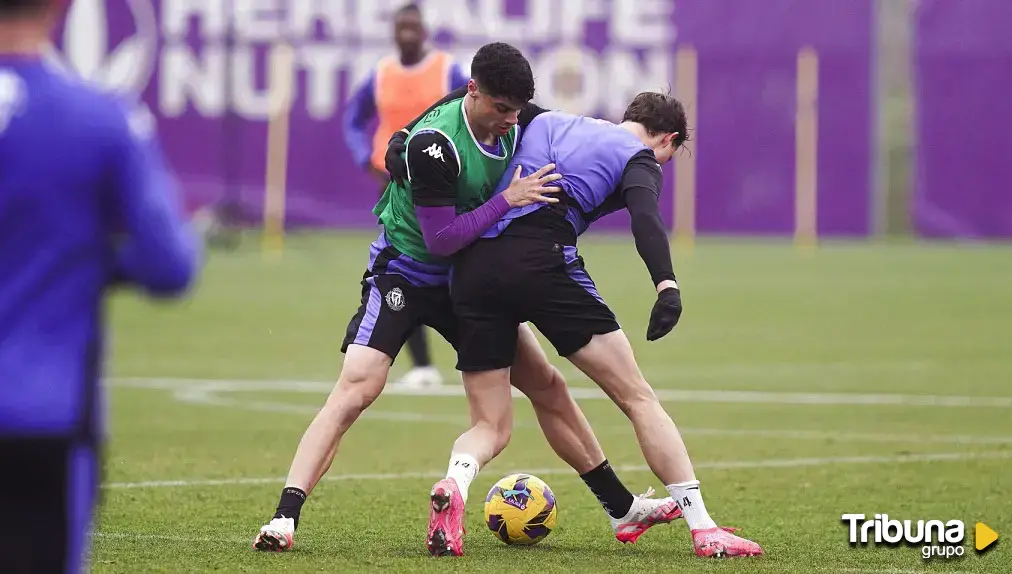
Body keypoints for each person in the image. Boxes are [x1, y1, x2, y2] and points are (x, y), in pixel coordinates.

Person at [253, 42, 681, 555]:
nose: (510, 120)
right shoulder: (438, 146)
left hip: (468, 283)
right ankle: (283, 518)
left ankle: (620, 507)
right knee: (356, 389)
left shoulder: (516, 122)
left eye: (516, 110)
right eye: (501, 109)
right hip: (408, 275)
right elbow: (442, 241)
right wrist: (506, 198)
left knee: (547, 386)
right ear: (476, 94)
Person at [398, 92, 764, 558]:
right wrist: (666, 285)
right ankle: (704, 527)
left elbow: (469, 97)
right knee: (637, 397)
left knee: (502, 415)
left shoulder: (545, 119)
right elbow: (646, 220)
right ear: (668, 140)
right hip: (542, 262)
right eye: (670, 156)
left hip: (474, 273)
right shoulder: (640, 159)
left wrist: (406, 132)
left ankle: (456, 481)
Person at [0, 1, 201, 572]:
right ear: (61, 7)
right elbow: (170, 265)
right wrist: (88, 259)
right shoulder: (100, 118)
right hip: (42, 414)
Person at [342, 2, 468, 389]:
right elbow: (353, 119)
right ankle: (422, 366)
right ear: (394, 31)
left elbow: (471, 110)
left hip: (440, 178)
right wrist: (366, 157)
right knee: (402, 264)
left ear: (425, 31)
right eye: (402, 27)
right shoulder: (381, 74)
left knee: (452, 260)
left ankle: (480, 350)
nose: (408, 33)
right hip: (395, 183)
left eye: (414, 26)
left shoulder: (448, 70)